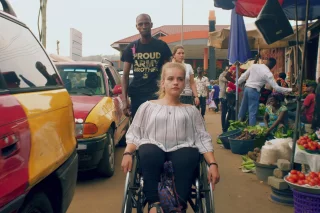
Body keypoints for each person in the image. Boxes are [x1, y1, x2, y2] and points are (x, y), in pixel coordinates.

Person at [121, 62, 220, 213]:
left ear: (184, 83)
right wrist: (128, 153)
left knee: (188, 155)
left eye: (180, 79)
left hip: (183, 150)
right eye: (171, 78)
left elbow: (202, 139)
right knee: (148, 150)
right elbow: (135, 133)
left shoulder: (192, 111)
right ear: (163, 83)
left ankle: (176, 207)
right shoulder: (147, 107)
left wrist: (212, 164)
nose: (175, 82)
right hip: (152, 150)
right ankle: (154, 205)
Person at [121, 14, 172, 118]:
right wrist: (124, 100)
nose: (144, 26)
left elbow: (169, 72)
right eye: (140, 24)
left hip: (157, 94)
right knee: (138, 129)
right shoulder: (131, 47)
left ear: (151, 25)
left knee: (157, 127)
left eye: (146, 23)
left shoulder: (161, 46)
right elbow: (125, 75)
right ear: (137, 27)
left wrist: (169, 95)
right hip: (137, 95)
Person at [238, 58, 293, 126]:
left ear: (266, 62)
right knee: (252, 112)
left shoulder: (254, 66)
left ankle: (237, 126)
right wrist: (291, 90)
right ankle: (251, 131)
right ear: (273, 66)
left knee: (242, 109)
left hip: (247, 89)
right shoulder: (268, 73)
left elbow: (243, 76)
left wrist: (235, 84)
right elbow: (276, 88)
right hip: (254, 91)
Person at [218, 66, 229, 132]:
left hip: (228, 96)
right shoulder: (222, 76)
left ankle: (226, 127)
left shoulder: (226, 75)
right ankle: (224, 128)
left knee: (228, 113)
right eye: (226, 70)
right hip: (223, 96)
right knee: (224, 113)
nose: (227, 71)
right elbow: (227, 79)